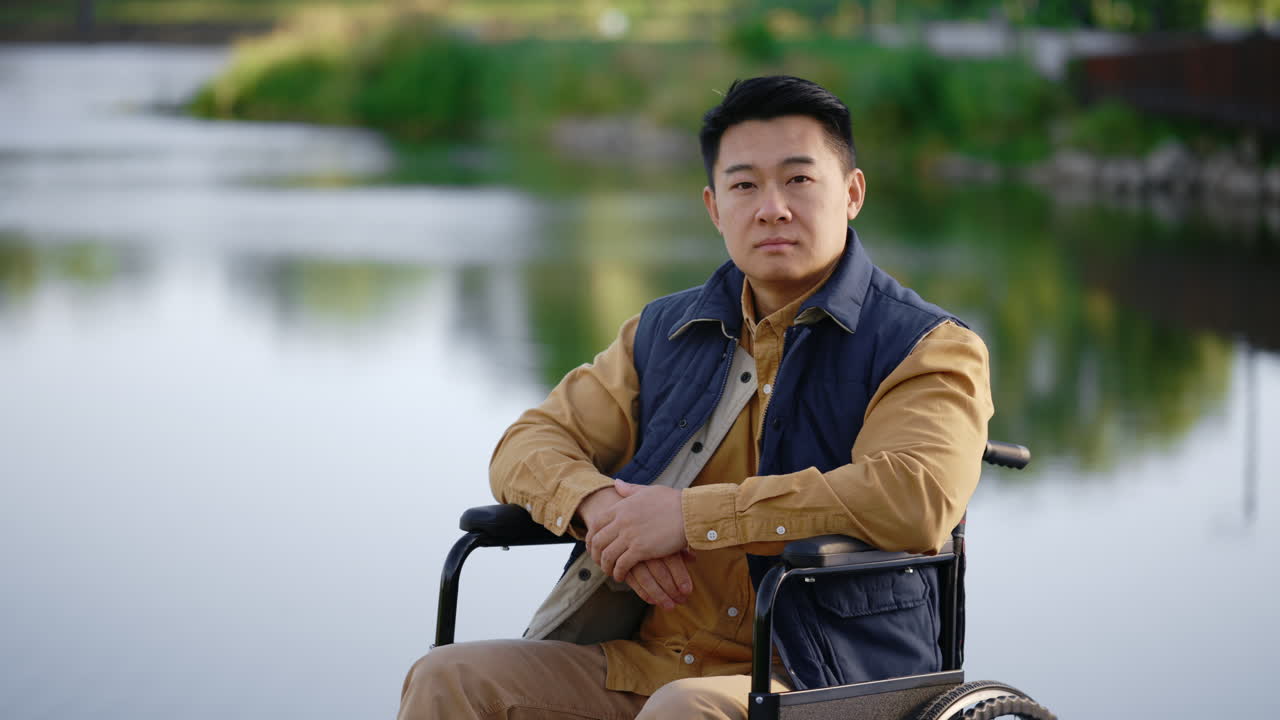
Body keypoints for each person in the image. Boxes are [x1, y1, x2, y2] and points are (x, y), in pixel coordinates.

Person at [398, 75, 994, 720]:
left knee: (684, 711)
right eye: (745, 185)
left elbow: (914, 496)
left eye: (798, 180)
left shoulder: (928, 345)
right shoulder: (665, 331)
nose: (772, 208)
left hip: (828, 675)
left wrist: (686, 518)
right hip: (652, 661)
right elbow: (526, 445)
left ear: (850, 193)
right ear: (714, 207)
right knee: (448, 677)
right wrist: (605, 516)